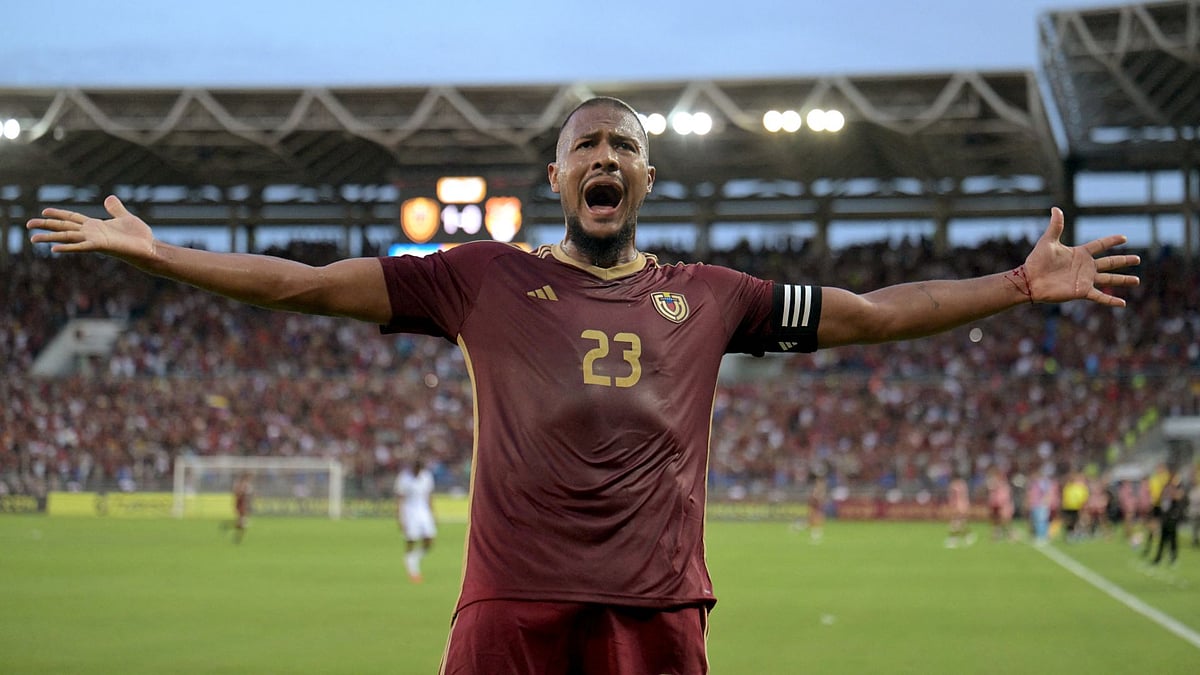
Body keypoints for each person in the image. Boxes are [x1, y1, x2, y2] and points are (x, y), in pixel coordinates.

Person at [27, 96, 1140, 674]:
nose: (605, 157)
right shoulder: (481, 278)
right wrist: (165, 255)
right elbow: (306, 284)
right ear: (555, 176)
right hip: (511, 607)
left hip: (659, 613)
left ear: (647, 176)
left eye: (624, 145)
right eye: (586, 146)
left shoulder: (715, 295)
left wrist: (1014, 285)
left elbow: (872, 313)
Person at [395, 457, 437, 583]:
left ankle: (413, 558)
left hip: (424, 511)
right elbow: (400, 499)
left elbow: (429, 496)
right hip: (409, 512)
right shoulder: (403, 478)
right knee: (411, 540)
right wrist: (400, 518)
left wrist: (433, 514)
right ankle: (412, 569)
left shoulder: (426, 477)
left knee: (430, 540)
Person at [220, 472, 252, 544]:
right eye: (249, 477)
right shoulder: (240, 485)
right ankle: (237, 539)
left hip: (243, 505)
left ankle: (227, 526)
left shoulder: (245, 485)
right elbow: (237, 494)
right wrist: (242, 494)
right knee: (243, 523)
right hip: (240, 505)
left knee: (241, 524)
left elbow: (246, 496)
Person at [945, 473, 975, 548]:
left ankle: (953, 540)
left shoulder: (955, 485)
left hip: (959, 506)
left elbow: (954, 497)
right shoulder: (962, 484)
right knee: (960, 523)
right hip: (962, 505)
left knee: (955, 523)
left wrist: (953, 506)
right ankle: (967, 536)